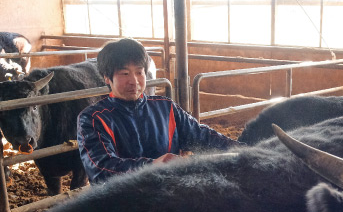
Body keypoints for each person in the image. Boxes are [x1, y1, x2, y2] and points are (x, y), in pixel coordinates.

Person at [77, 38, 238, 184]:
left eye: (139, 72)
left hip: (167, 196)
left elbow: (202, 136)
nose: (134, 81)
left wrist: (244, 151)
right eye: (124, 73)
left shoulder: (165, 108)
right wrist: (152, 165)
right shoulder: (93, 119)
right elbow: (101, 169)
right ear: (107, 77)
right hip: (122, 203)